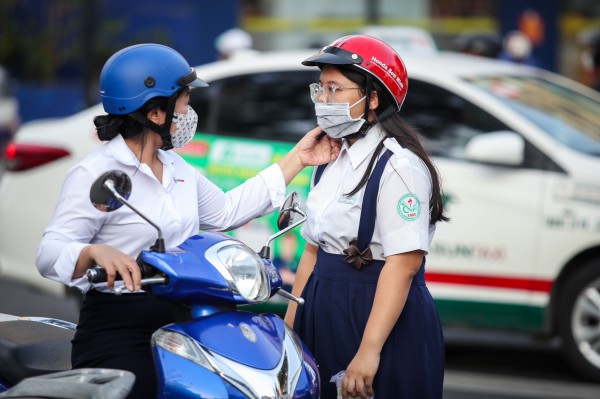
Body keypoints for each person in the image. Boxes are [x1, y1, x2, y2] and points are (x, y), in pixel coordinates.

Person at [35, 43, 340, 399]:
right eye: (183, 101)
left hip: (188, 318)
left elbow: (228, 212)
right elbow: (49, 252)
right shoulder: (97, 173)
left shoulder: (178, 169)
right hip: (121, 324)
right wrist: (94, 253)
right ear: (156, 113)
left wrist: (298, 158)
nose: (188, 111)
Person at [283, 35, 447, 398]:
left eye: (335, 89)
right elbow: (312, 252)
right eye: (320, 88)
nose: (323, 100)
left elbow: (403, 265)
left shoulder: (399, 165)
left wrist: (368, 351)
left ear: (372, 98)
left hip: (376, 315)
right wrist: (290, 328)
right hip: (322, 305)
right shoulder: (328, 159)